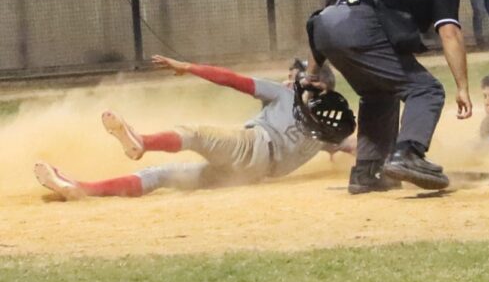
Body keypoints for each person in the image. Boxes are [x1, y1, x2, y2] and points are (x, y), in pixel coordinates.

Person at [34, 55, 354, 200]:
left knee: (194, 134)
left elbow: (233, 80)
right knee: (159, 177)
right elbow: (353, 146)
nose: (291, 78)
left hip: (251, 147)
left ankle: (141, 142)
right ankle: (81, 189)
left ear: (314, 84)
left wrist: (189, 68)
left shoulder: (286, 95)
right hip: (248, 175)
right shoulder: (325, 131)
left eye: (298, 75)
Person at [305, 0, 472, 194]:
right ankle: (407, 153)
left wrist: (311, 75)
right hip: (361, 27)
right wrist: (462, 87)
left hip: (323, 28)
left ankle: (367, 172)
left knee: (378, 93)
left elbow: (329, 14)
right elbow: (450, 34)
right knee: (426, 90)